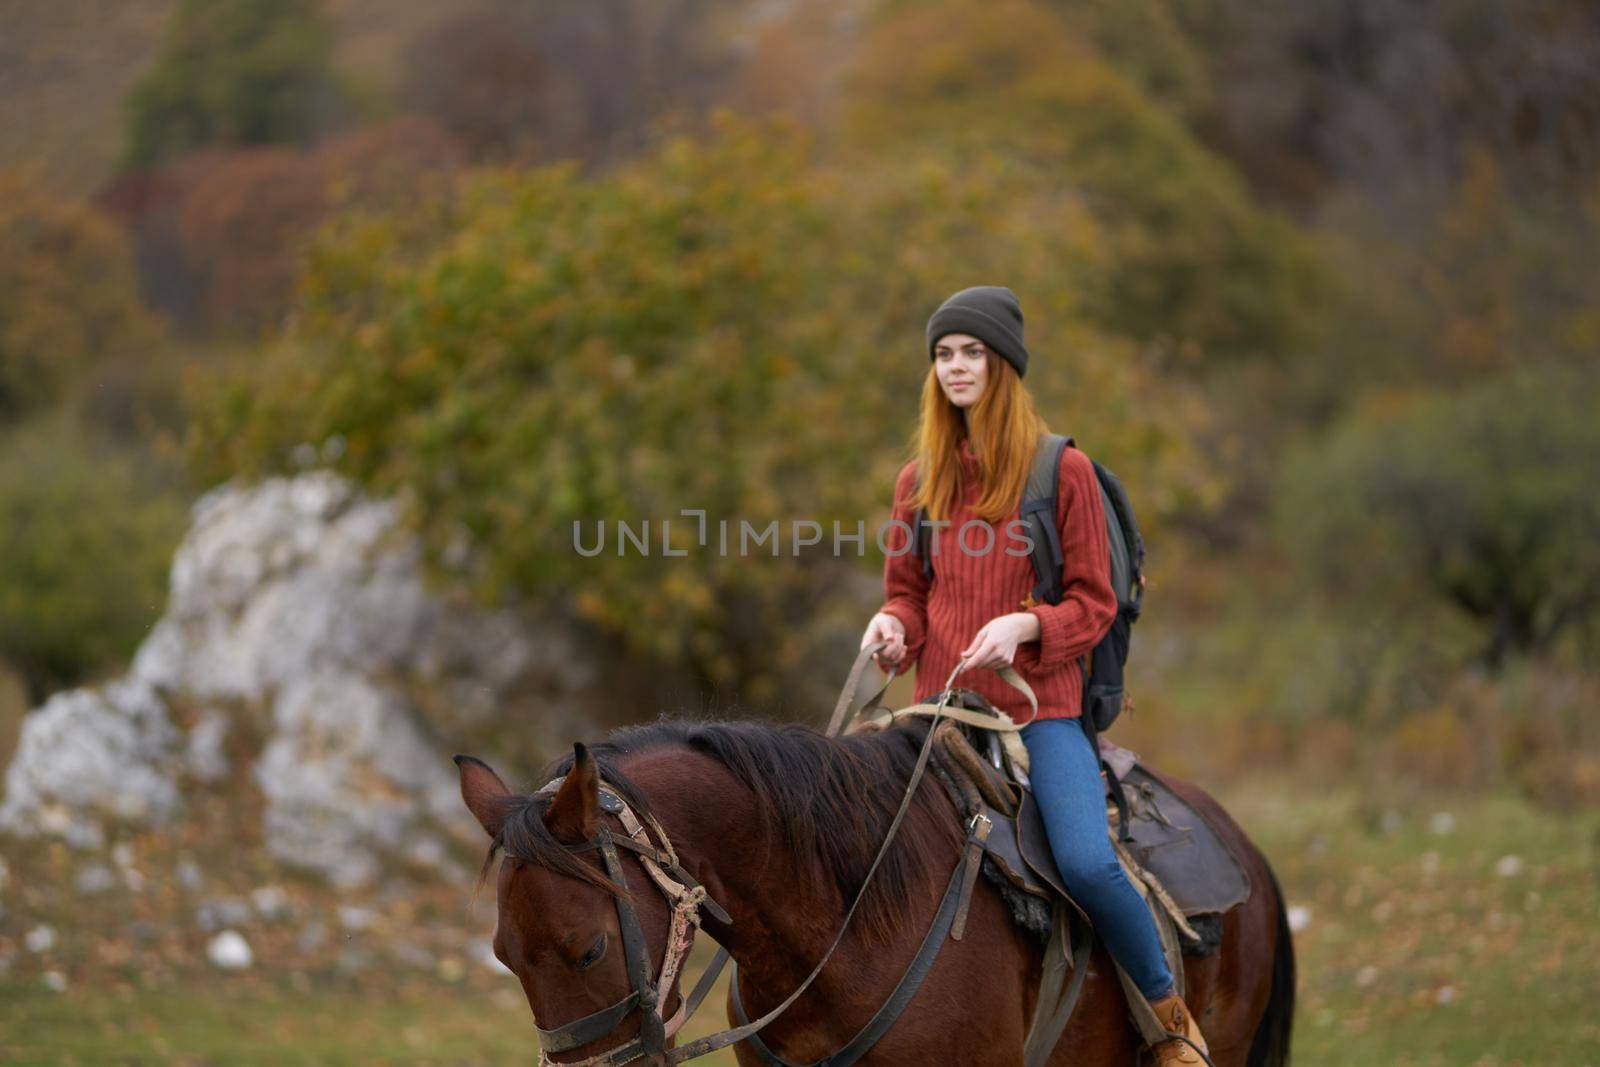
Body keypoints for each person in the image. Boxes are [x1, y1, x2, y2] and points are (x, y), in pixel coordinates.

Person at [860, 286, 1209, 1065]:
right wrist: (892, 630)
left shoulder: (1064, 472)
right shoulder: (917, 481)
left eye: (971, 352)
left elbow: (1095, 601)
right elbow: (909, 594)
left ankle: (1167, 1021)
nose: (955, 366)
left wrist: (1027, 625)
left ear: (1005, 364)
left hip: (1040, 715)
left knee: (1085, 859)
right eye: (944, 353)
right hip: (934, 716)